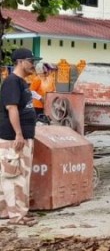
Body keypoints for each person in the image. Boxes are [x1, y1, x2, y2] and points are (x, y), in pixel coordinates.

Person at [0, 48, 42, 226]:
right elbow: (12, 108)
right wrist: (18, 133)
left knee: (15, 175)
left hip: (22, 136)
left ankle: (6, 212)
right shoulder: (12, 82)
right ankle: (17, 216)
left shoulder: (23, 83)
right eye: (31, 61)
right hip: (13, 138)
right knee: (15, 177)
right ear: (20, 62)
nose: (33, 65)